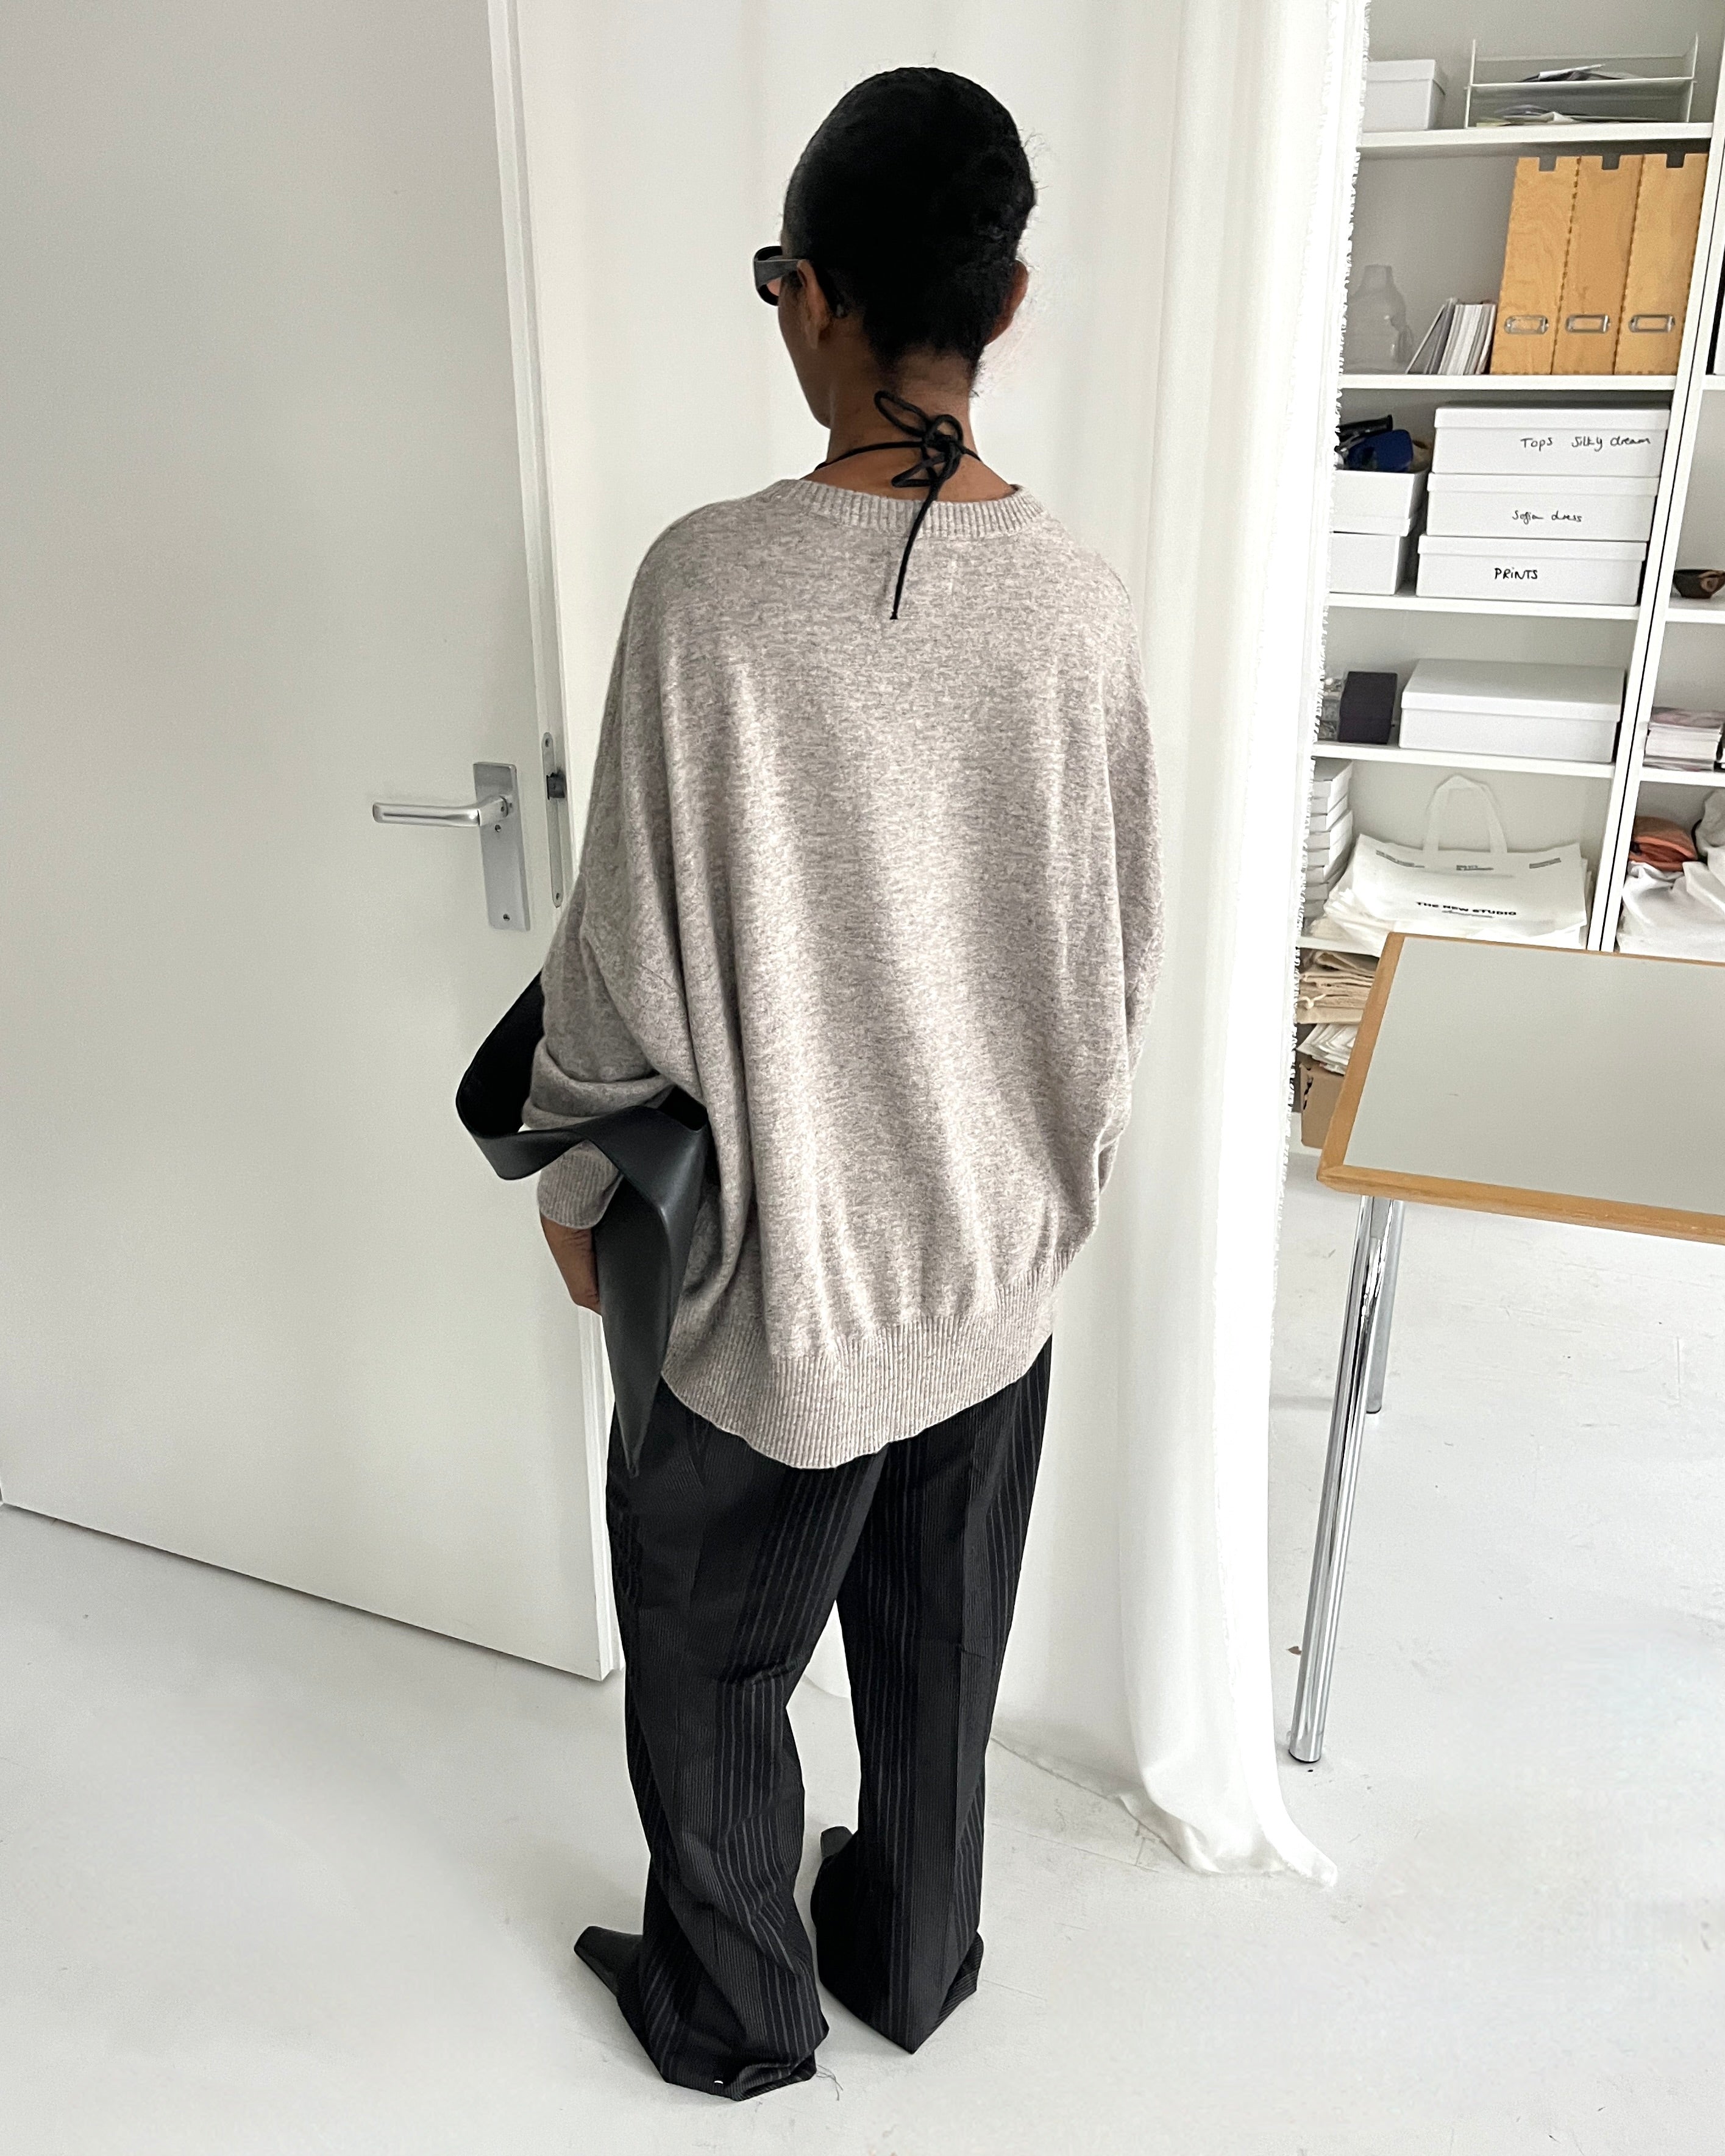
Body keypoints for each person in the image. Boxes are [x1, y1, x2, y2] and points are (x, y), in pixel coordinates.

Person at [528, 66, 1161, 2101]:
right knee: (936, 1656)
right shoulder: (1077, 601)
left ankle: (737, 2005)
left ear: (809, 293)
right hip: (993, 1277)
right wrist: (1045, 1193)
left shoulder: (709, 586)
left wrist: (573, 1188)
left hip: (781, 1292)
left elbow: (618, 952)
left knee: (714, 1658)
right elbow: (1119, 956)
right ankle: (912, 1948)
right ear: (1009, 302)